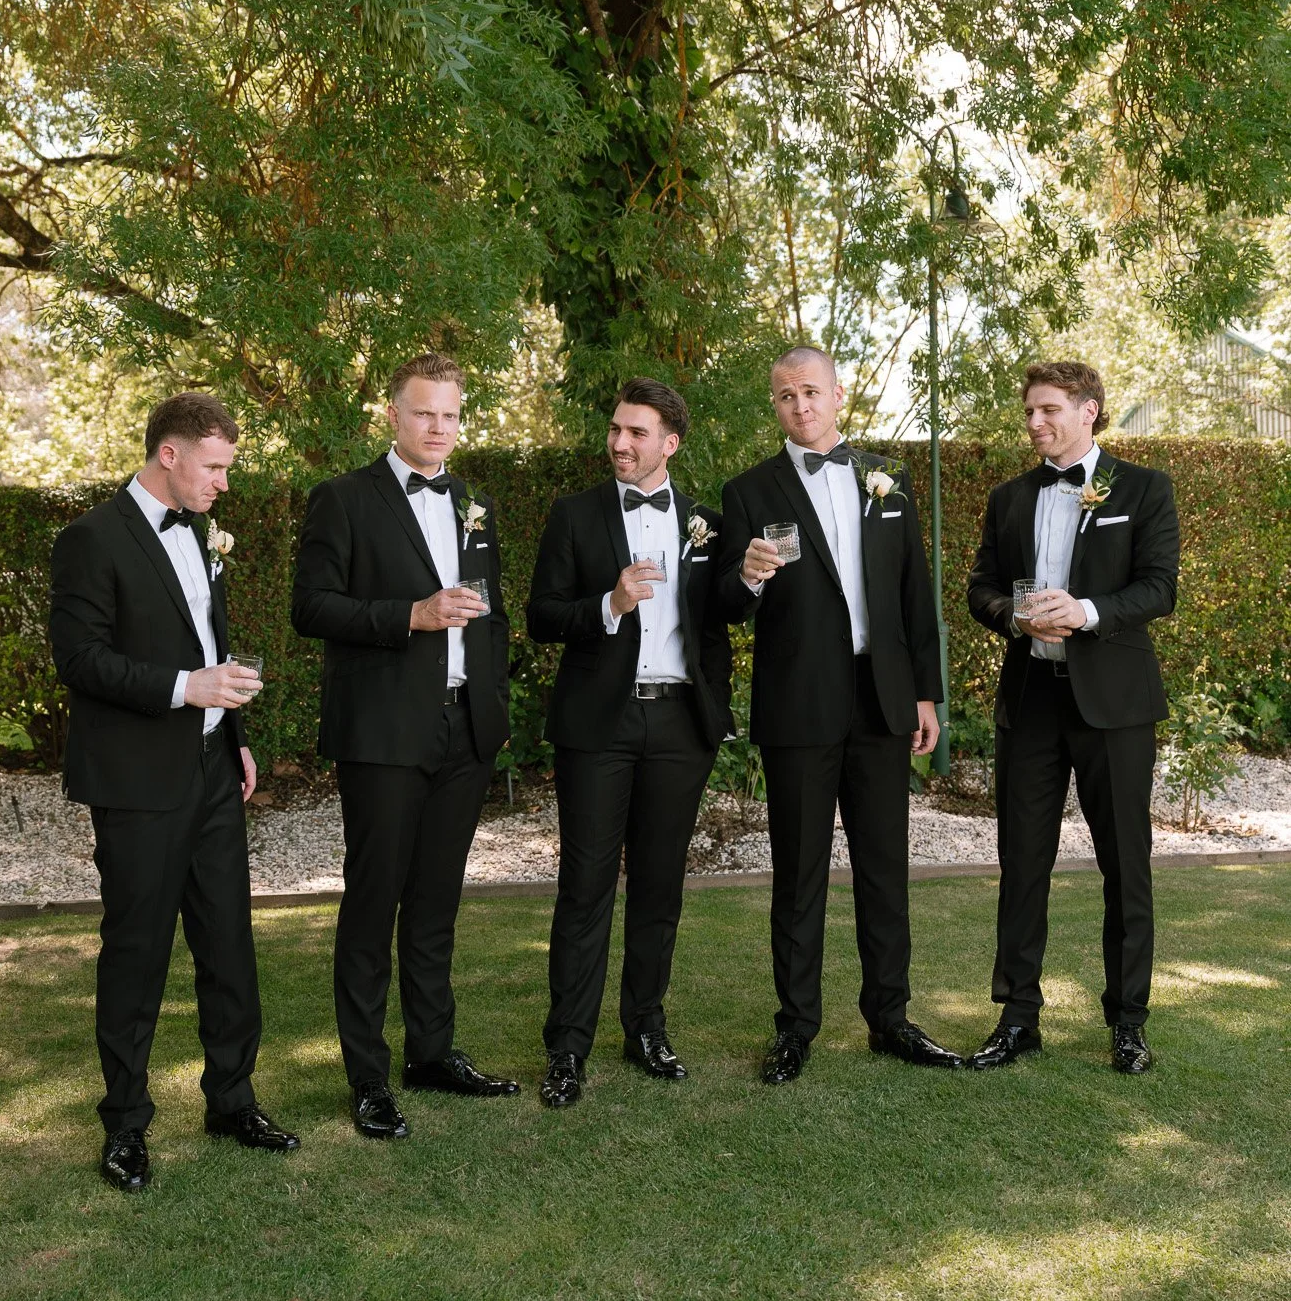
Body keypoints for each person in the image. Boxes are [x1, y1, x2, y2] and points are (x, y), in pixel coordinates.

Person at [49, 392, 298, 1193]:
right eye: (215, 467)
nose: (223, 483)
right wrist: (188, 688)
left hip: (213, 772)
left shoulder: (197, 534)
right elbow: (80, 659)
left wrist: (235, 734)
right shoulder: (91, 539)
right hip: (137, 783)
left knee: (228, 945)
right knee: (137, 953)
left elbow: (211, 645)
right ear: (169, 454)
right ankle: (125, 1126)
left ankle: (232, 1100)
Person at [716, 347, 961, 1081]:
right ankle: (795, 1028)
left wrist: (925, 694)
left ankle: (891, 1019)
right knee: (798, 874)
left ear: (837, 394)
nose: (800, 406)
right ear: (775, 405)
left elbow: (914, 591)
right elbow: (723, 606)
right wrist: (746, 578)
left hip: (882, 699)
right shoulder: (747, 490)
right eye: (785, 396)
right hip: (799, 704)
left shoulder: (887, 479)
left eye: (811, 392)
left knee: (884, 870)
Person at [291, 352, 518, 1141]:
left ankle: (432, 1052)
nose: (438, 428)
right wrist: (408, 616)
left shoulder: (475, 502)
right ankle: (367, 1077)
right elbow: (310, 607)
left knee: (435, 902)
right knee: (372, 902)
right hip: (383, 732)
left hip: (464, 730)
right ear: (392, 415)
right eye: (424, 413)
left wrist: (491, 705)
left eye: (450, 415)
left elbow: (491, 612)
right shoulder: (343, 499)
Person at [965, 360, 1179, 1074]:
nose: (1034, 423)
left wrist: (1084, 611)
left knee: (1125, 865)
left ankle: (1128, 1022)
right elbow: (981, 587)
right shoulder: (1007, 497)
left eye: (1048, 409)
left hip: (1114, 708)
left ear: (1089, 410)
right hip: (1030, 701)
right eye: (1029, 411)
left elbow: (1158, 588)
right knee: (1022, 863)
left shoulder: (1142, 488)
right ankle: (1016, 1018)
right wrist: (1014, 616)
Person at [526, 379, 733, 1109]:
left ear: (669, 443)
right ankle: (567, 1047)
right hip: (599, 726)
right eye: (616, 429)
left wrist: (753, 581)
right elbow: (542, 616)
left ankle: (645, 1028)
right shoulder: (574, 514)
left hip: (680, 724)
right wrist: (607, 604)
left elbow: (724, 613)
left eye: (636, 433)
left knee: (659, 884)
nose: (619, 443)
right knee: (584, 886)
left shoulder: (707, 523)